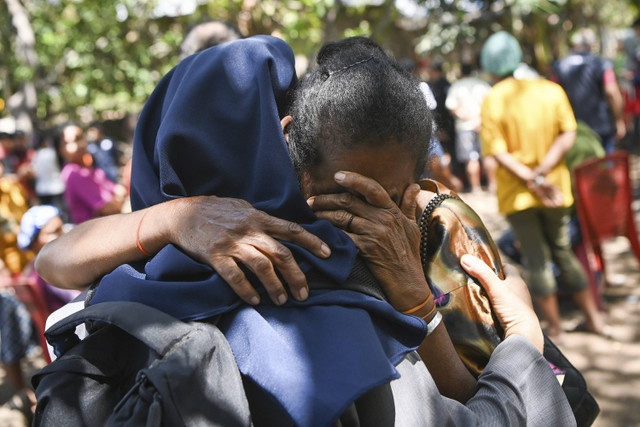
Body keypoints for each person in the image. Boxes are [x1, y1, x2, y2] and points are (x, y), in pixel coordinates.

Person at [37, 36, 574, 424]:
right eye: (354, 193)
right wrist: (523, 343)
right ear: (286, 150)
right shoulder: (326, 312)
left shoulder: (124, 292)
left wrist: (172, 219)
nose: (377, 217)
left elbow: (57, 260)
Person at [480, 31, 604, 341]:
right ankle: (594, 319)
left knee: (536, 259)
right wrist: (543, 173)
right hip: (555, 189)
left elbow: (498, 152)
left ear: (490, 65)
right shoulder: (550, 90)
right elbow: (568, 133)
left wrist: (530, 179)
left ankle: (556, 329)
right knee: (563, 252)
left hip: (519, 195)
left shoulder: (492, 99)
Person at [553, 28, 626, 153]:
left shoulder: (559, 66)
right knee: (606, 167)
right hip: (602, 127)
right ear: (591, 45)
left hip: (572, 128)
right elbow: (611, 92)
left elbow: (553, 95)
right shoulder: (602, 64)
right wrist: (619, 120)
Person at [59, 124, 127, 224]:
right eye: (69, 142)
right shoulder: (73, 173)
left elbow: (120, 190)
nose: (77, 145)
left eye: (79, 138)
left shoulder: (89, 169)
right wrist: (117, 200)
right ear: (61, 150)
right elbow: (108, 209)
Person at [445, 63, 492, 192]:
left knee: (471, 158)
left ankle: (475, 187)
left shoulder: (457, 86)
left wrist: (470, 119)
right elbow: (491, 105)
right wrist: (479, 119)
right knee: (488, 155)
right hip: (483, 124)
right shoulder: (482, 85)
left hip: (464, 126)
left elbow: (453, 108)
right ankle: (493, 186)